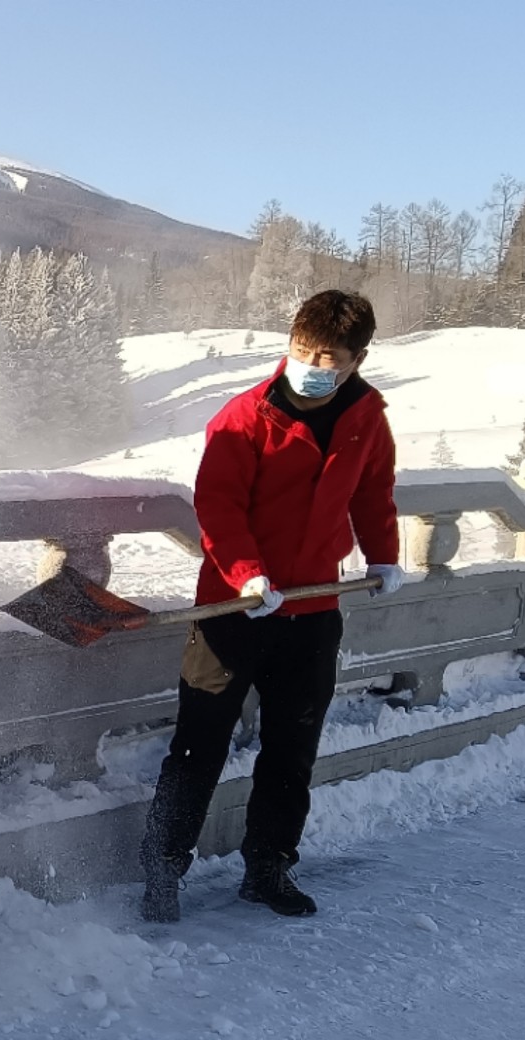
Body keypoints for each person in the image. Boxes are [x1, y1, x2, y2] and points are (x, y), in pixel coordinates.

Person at [139, 289, 405, 924]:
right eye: (301, 348)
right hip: (232, 610)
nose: (311, 361)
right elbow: (219, 506)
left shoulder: (366, 416)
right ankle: (161, 868)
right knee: (198, 744)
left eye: (328, 354)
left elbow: (373, 491)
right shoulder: (245, 417)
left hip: (312, 609)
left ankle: (269, 866)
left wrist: (384, 555)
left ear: (356, 359)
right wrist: (247, 575)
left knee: (292, 748)